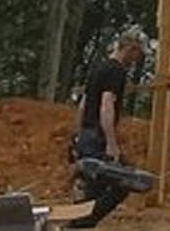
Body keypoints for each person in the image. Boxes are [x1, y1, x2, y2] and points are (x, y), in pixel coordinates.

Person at [66, 26, 147, 228]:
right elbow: (106, 106)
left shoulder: (99, 68)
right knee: (124, 181)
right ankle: (76, 224)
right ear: (129, 48)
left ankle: (79, 221)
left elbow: (84, 103)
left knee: (94, 190)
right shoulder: (116, 71)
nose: (137, 59)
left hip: (86, 136)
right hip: (98, 139)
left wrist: (77, 134)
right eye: (137, 53)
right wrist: (111, 144)